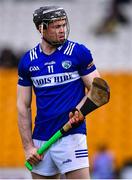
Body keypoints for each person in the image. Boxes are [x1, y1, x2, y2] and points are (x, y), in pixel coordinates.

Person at [17, 6, 110, 179]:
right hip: (41, 140)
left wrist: (79, 111)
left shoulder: (78, 52)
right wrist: (28, 147)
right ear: (41, 28)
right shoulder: (28, 61)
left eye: (63, 25)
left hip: (71, 137)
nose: (62, 30)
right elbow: (23, 106)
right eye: (56, 26)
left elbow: (100, 90)